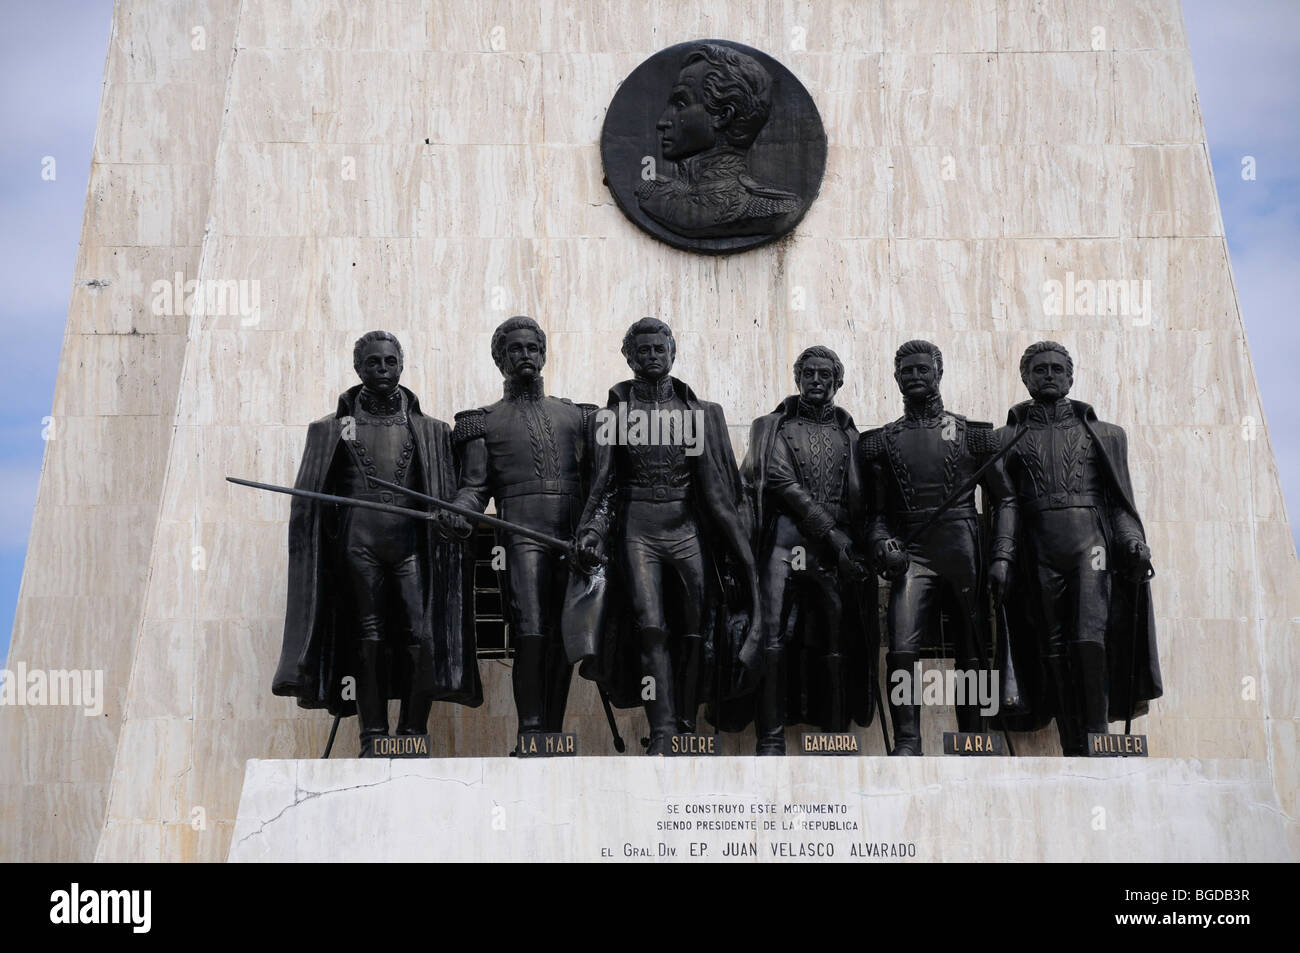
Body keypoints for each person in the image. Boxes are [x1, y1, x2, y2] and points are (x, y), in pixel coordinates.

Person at [273, 331, 479, 755]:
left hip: (410, 544)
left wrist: (452, 516)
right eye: (373, 363)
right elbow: (309, 506)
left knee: (420, 632)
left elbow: (457, 494)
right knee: (369, 634)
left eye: (389, 362)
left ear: (401, 365)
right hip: (358, 542)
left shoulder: (431, 430)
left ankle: (413, 732)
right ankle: (373, 735)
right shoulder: (332, 430)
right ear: (358, 369)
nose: (382, 370)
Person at [993, 341, 1160, 755]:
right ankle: (1073, 742)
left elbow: (1119, 501)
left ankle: (1097, 730)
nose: (1048, 374)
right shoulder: (1004, 438)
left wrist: (1133, 541)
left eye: (1056, 368)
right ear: (1025, 377)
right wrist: (1003, 556)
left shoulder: (1106, 434)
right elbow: (1003, 505)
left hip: (1091, 546)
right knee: (1050, 646)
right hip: (1037, 548)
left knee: (1090, 638)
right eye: (1039, 368)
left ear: (1070, 376)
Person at [860, 340, 1014, 755]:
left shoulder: (977, 435)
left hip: (963, 547)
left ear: (938, 374)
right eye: (906, 371)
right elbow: (874, 515)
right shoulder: (880, 442)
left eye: (921, 370)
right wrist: (881, 543)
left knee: (972, 646)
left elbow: (1006, 499)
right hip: (912, 553)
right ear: (895, 378)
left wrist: (1001, 555)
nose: (914, 377)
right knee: (903, 646)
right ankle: (908, 743)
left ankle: (972, 738)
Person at [452, 317, 597, 747]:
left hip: (572, 538)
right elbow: (474, 488)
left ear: (544, 354)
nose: (525, 356)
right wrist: (459, 514)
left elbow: (597, 483)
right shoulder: (482, 421)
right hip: (521, 535)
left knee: (563, 634)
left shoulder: (579, 416)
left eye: (532, 348)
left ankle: (551, 729)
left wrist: (595, 533)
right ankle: (530, 729)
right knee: (531, 631)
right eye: (515, 350)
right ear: (500, 359)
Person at [741, 346, 873, 755]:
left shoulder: (851, 435)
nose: (816, 381)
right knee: (773, 637)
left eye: (824, 375)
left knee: (836, 638)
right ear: (798, 378)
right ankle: (771, 736)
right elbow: (782, 482)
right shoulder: (771, 427)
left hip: (837, 551)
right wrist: (834, 537)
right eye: (809, 374)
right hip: (785, 541)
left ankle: (832, 730)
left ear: (838, 382)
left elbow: (865, 498)